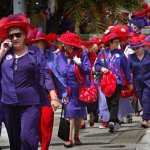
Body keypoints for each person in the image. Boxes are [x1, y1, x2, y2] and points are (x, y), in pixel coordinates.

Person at [0, 13, 59, 150]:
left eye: (18, 35)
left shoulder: (35, 53)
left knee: (27, 136)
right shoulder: (5, 53)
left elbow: (45, 74)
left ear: (25, 36)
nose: (15, 38)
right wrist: (2, 51)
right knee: (15, 141)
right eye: (11, 36)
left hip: (31, 102)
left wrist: (54, 96)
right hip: (8, 102)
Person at [30, 31, 65, 150]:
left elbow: (58, 76)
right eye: (33, 42)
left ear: (44, 44)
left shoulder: (52, 58)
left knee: (46, 123)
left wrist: (62, 94)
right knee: (32, 126)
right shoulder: (26, 56)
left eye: (38, 42)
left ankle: (45, 147)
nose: (35, 44)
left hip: (48, 96)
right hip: (30, 96)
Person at [56, 31, 91, 148]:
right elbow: (57, 73)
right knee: (70, 113)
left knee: (79, 113)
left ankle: (76, 136)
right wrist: (61, 91)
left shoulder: (82, 54)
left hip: (81, 89)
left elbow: (87, 70)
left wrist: (79, 64)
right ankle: (69, 138)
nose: (63, 45)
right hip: (67, 89)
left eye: (66, 43)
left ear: (71, 45)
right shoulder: (60, 55)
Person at [94, 32, 133, 133]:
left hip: (117, 82)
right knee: (109, 102)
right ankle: (116, 121)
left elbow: (126, 69)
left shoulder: (120, 54)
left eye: (118, 42)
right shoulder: (102, 53)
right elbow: (96, 66)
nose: (117, 44)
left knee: (115, 102)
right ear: (110, 43)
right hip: (106, 83)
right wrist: (102, 68)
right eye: (115, 42)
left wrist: (129, 82)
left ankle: (111, 121)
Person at [128, 37, 150, 128]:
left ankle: (145, 120)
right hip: (138, 83)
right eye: (134, 48)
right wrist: (129, 82)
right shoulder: (131, 57)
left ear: (142, 47)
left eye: (137, 48)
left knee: (145, 99)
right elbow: (127, 70)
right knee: (142, 101)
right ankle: (147, 116)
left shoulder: (148, 55)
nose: (136, 50)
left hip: (148, 82)